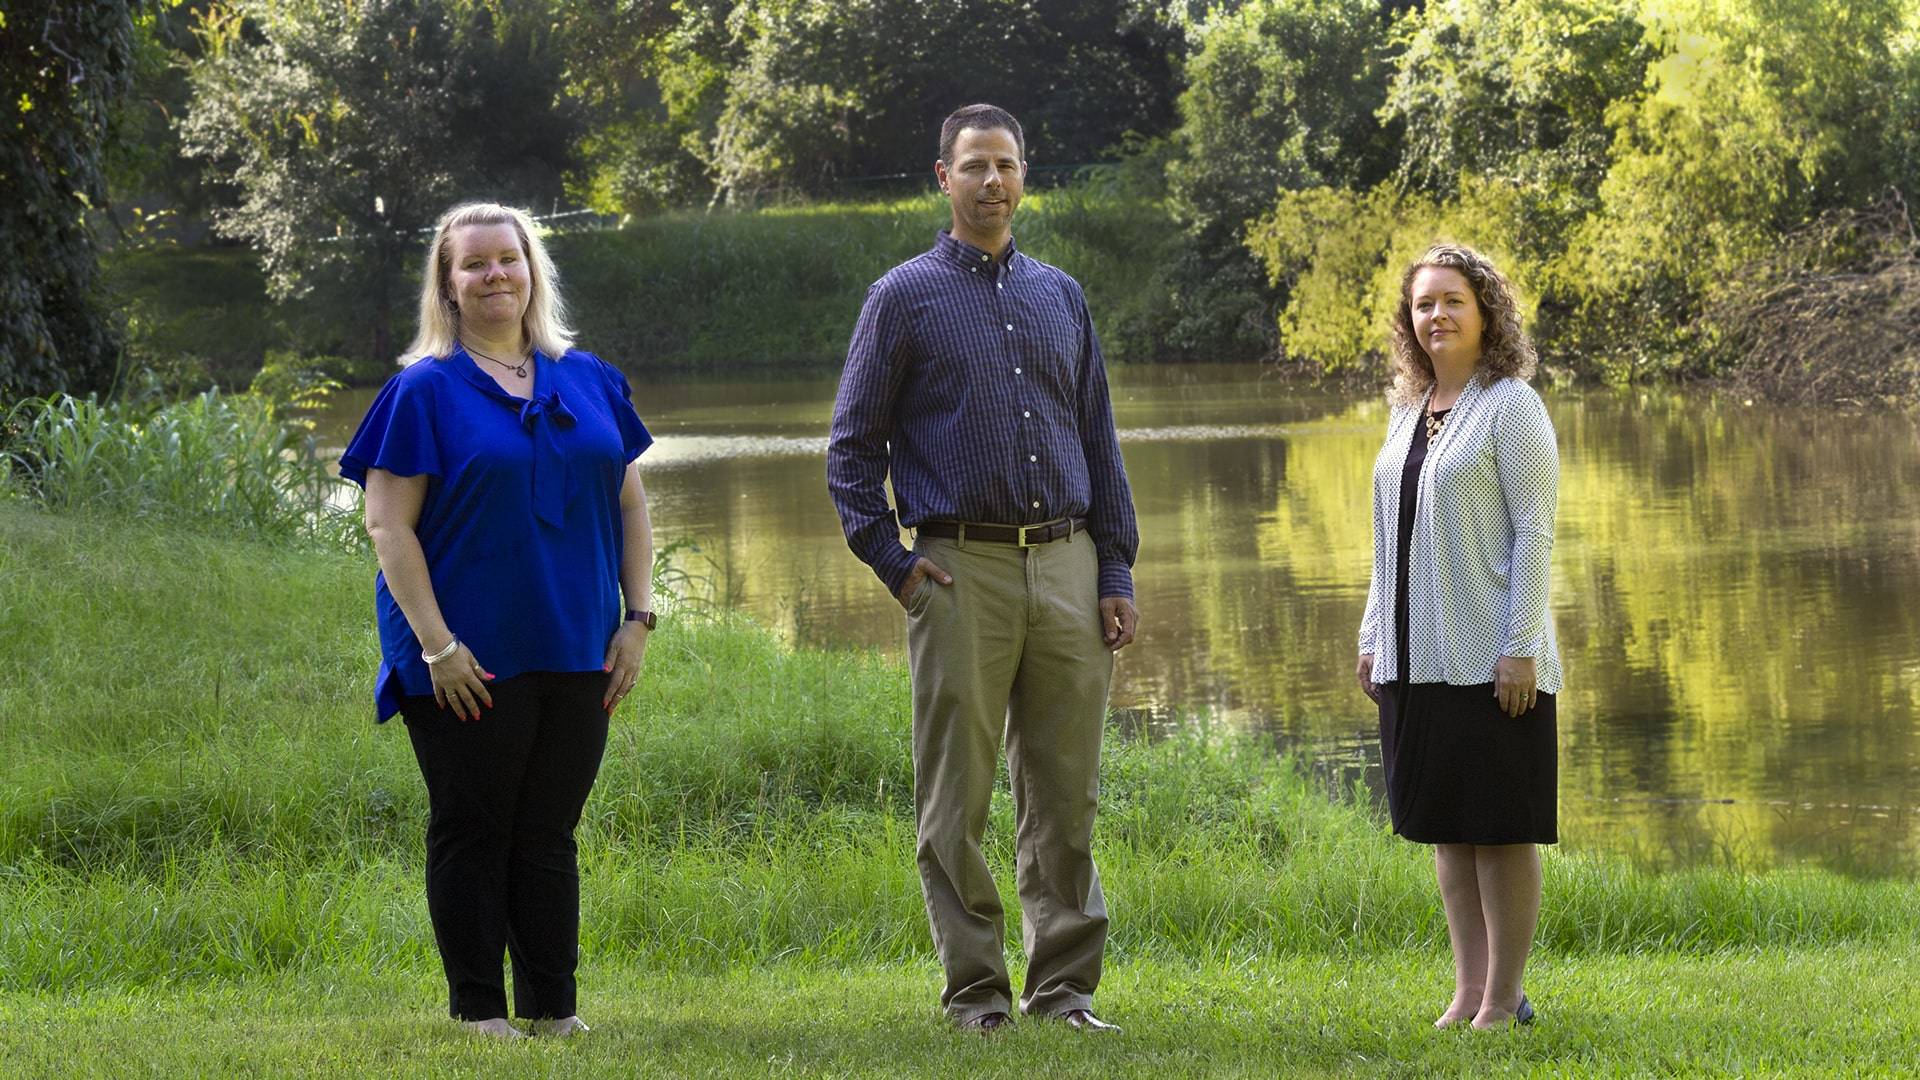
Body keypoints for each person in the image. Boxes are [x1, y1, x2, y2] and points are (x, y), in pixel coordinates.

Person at [827, 104, 1139, 1034]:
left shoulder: (1062, 295)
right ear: (943, 177)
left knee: (1065, 793)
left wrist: (1114, 569)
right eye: (975, 166)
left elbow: (1101, 439)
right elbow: (850, 452)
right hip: (959, 569)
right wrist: (895, 561)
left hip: (1069, 562)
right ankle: (975, 995)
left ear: (1024, 176)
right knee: (954, 796)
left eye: (1006, 163)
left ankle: (1064, 994)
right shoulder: (902, 297)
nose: (992, 181)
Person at [338, 202, 657, 1040]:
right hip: (464, 655)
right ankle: (478, 1009)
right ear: (447, 285)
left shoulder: (587, 377)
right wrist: (437, 646)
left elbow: (631, 504)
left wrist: (640, 619)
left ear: (532, 270)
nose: (494, 276)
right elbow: (387, 524)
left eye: (507, 259)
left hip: (578, 645)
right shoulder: (422, 391)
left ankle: (553, 1008)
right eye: (473, 264)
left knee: (549, 829)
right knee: (474, 826)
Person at [1356, 243, 1561, 1030]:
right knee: (1447, 831)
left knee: (1499, 830)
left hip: (1493, 660)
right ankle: (1467, 991)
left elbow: (1534, 535)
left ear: (1485, 314)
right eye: (1423, 305)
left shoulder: (1512, 405)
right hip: (1417, 658)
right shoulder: (1409, 413)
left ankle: (1505, 1001)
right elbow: (1388, 538)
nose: (1435, 315)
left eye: (1452, 302)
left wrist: (1521, 649)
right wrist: (1374, 635)